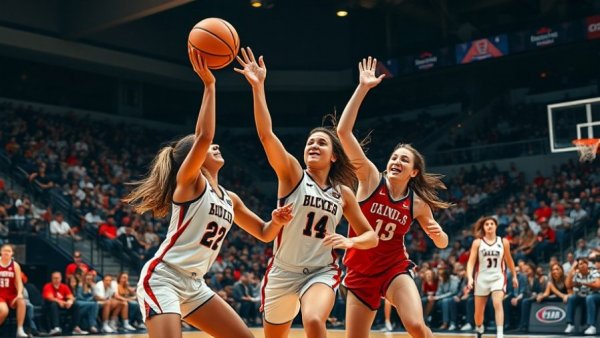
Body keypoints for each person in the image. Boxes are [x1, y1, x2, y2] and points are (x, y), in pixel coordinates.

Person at [124, 48, 294, 338]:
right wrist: (209, 85)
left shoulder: (231, 198)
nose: (216, 147)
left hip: (195, 284)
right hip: (163, 278)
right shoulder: (190, 184)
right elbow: (204, 136)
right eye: (208, 149)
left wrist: (277, 220)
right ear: (195, 158)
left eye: (215, 146)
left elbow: (265, 233)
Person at [235, 47, 378, 338]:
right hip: (282, 272)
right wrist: (258, 87)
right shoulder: (292, 174)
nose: (313, 145)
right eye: (310, 142)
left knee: (313, 319)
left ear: (334, 156)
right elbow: (266, 135)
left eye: (322, 143)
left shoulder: (343, 193)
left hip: (321, 271)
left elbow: (371, 237)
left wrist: (349, 242)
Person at [335, 57, 450, 338]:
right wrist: (362, 88)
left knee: (416, 326)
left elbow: (444, 241)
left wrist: (439, 236)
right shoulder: (371, 178)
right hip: (359, 273)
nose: (396, 161)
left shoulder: (418, 203)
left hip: (393, 269)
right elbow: (343, 132)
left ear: (413, 172)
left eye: (404, 160)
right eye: (394, 157)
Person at [466, 217, 518, 338]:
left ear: (496, 226)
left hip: (498, 277)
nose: (489, 226)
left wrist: (514, 276)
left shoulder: (503, 242)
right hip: (481, 279)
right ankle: (479, 327)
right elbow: (470, 262)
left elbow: (509, 260)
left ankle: (500, 333)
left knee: (497, 302)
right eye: (487, 224)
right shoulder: (477, 242)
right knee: (478, 314)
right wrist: (470, 278)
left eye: (492, 224)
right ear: (483, 227)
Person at [0, 244, 28, 338]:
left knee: (21, 301)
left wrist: (19, 294)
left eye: (9, 251)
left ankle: (20, 330)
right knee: (4, 311)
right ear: (1, 252)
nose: (6, 253)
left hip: (11, 294)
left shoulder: (15, 265)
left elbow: (19, 282)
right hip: (1, 295)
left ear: (12, 253)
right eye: (5, 250)